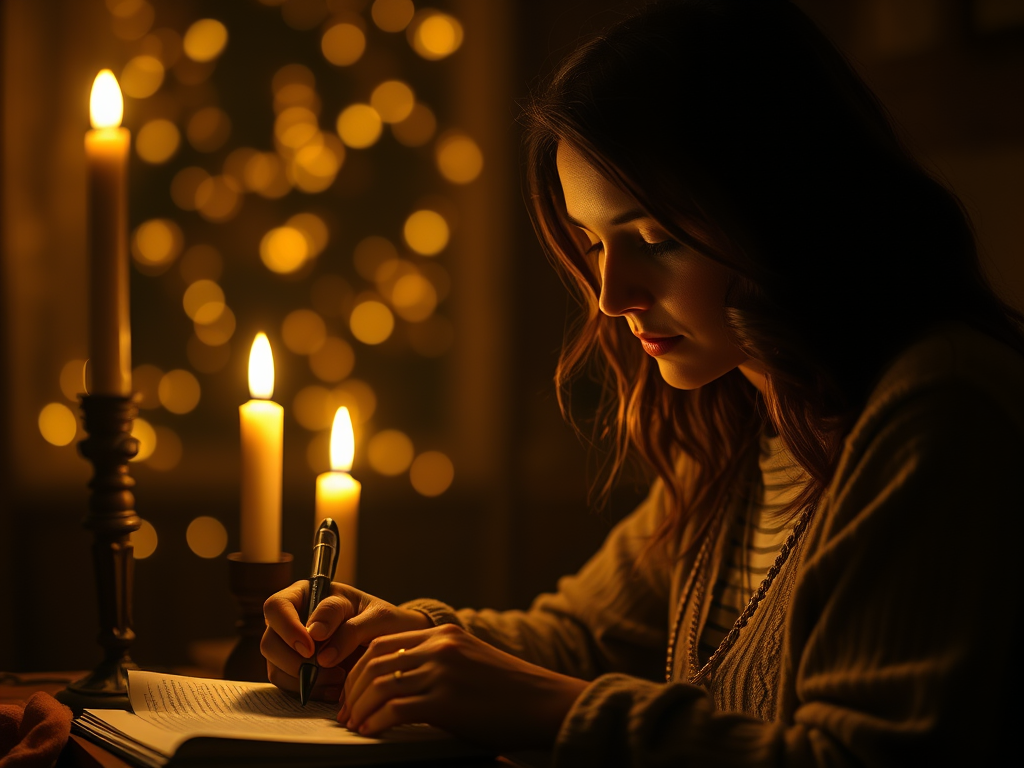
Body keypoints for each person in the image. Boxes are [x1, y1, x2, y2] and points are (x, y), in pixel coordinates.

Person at [262, 1, 1024, 764]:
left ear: (784, 207)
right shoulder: (741, 419)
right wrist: (399, 636)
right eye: (591, 242)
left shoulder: (939, 411)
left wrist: (550, 712)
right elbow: (586, 636)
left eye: (655, 239)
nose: (610, 295)